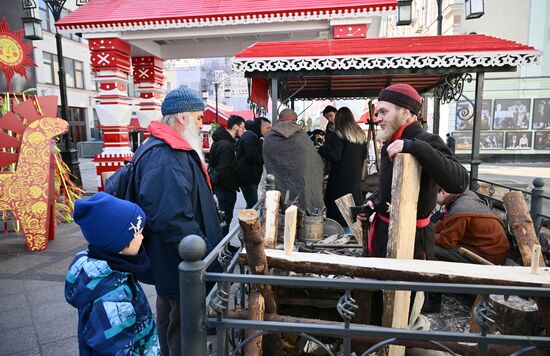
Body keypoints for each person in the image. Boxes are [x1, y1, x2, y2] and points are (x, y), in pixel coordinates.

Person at [132, 86, 223, 356]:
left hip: (178, 259)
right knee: (181, 328)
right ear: (181, 118)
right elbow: (171, 218)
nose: (201, 124)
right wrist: (204, 250)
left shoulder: (169, 149)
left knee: (173, 318)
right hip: (181, 260)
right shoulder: (166, 154)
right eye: (198, 118)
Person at [360, 84, 469, 260]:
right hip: (384, 235)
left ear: (405, 113)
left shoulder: (427, 141)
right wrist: (374, 202)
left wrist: (416, 148)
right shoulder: (390, 141)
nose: (378, 118)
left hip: (413, 243)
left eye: (383, 112)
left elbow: (460, 181)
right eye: (377, 113)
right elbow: (391, 188)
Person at [65, 192, 160, 355]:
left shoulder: (115, 271)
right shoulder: (112, 298)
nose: (142, 236)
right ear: (120, 243)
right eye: (138, 232)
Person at [263, 108, 325, 211]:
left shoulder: (269, 137)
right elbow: (315, 161)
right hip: (301, 185)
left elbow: (268, 160)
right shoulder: (302, 137)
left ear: (279, 120)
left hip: (277, 186)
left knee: (280, 212)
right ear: (295, 120)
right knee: (302, 208)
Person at [318, 107, 367, 228]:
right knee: (353, 219)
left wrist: (322, 149)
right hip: (355, 183)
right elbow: (364, 155)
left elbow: (335, 156)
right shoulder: (360, 135)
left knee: (339, 220)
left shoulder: (339, 135)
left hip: (339, 184)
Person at [434, 189, 510, 265]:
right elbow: (446, 223)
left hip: (489, 257)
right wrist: (428, 228)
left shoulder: (460, 210)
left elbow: (446, 241)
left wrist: (427, 236)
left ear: (443, 192)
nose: (433, 200)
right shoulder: (464, 198)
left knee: (429, 247)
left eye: (433, 196)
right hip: (493, 250)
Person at [209, 115, 246, 234]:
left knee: (223, 219)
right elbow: (224, 169)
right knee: (225, 219)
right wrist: (232, 186)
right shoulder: (226, 144)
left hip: (220, 186)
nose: (243, 130)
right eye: (242, 127)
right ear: (235, 127)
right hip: (225, 188)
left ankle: (223, 246)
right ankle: (222, 248)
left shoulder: (220, 141)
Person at [236, 117, 271, 208]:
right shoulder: (250, 136)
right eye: (267, 128)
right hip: (248, 179)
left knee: (252, 205)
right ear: (260, 127)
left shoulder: (253, 136)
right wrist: (265, 156)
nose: (269, 130)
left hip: (250, 178)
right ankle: (246, 222)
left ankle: (246, 221)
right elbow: (252, 157)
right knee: (253, 206)